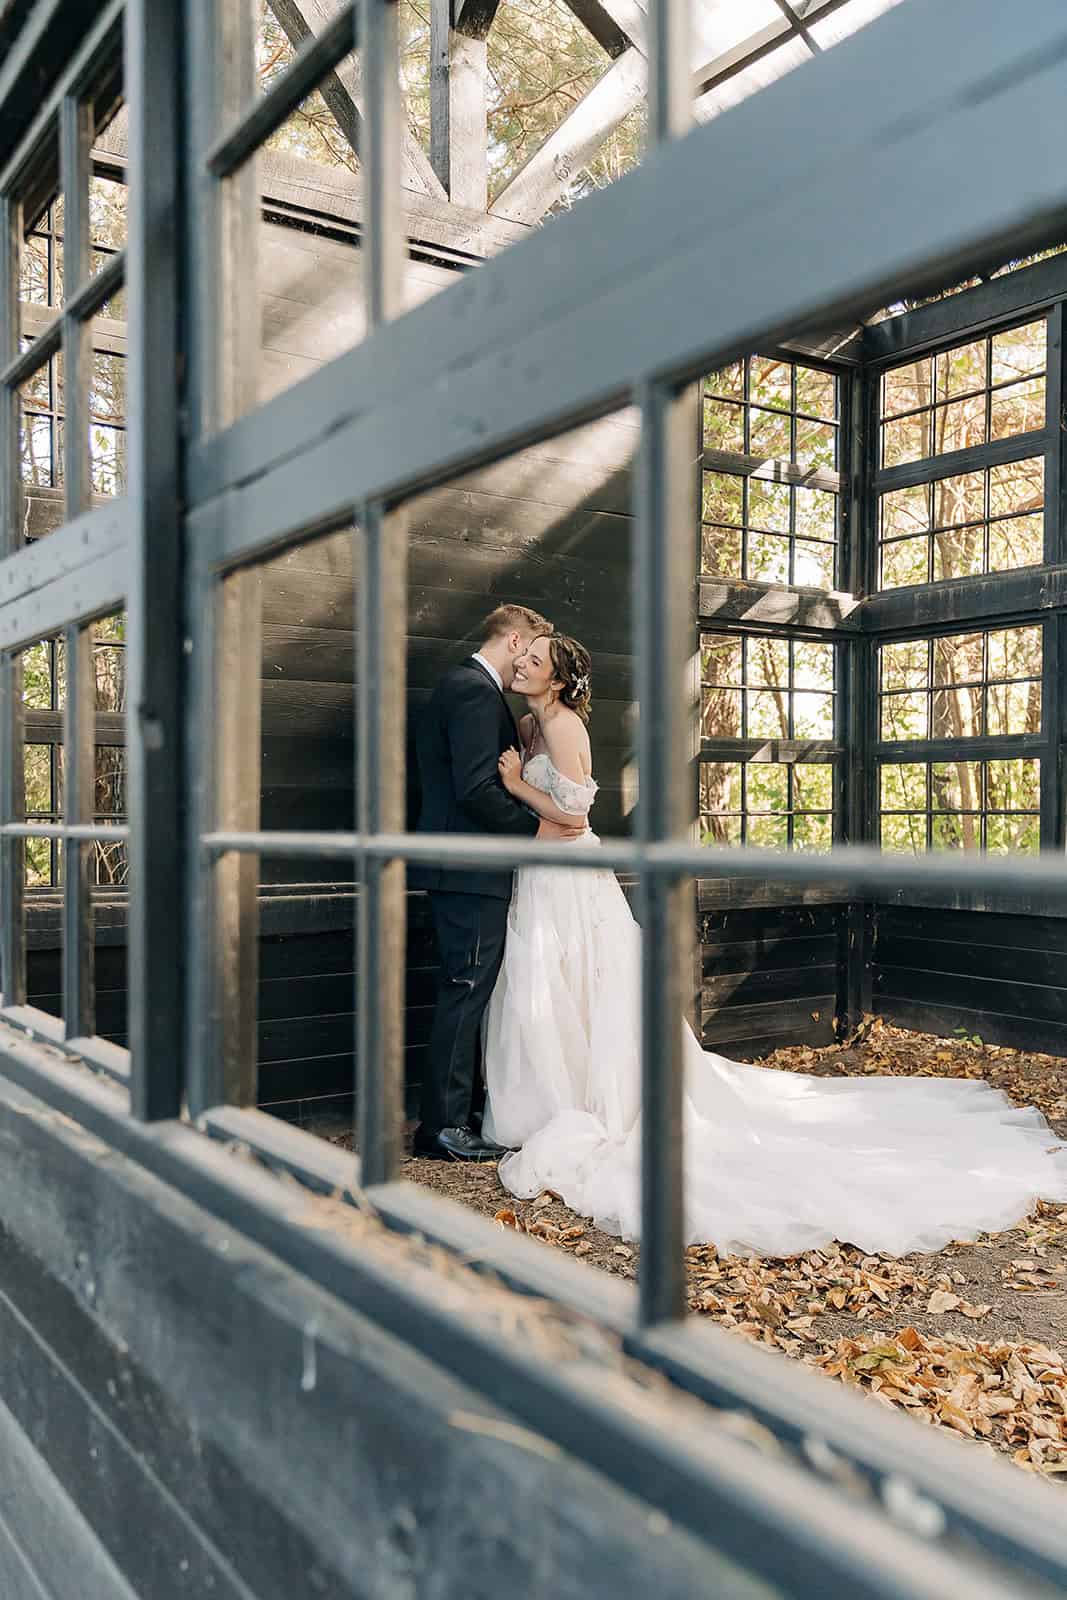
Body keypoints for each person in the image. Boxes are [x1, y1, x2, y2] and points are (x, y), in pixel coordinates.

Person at [481, 632, 1067, 1257]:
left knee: (587, 985)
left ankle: (598, 1104)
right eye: (524, 656)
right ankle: (553, 1096)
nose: (522, 663)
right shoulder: (529, 724)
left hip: (572, 875)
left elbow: (573, 817)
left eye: (535, 661)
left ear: (560, 681)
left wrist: (517, 786)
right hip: (540, 874)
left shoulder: (568, 728)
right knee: (551, 988)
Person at [411, 605, 583, 1162]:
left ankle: (464, 1112)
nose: (530, 660)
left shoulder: (475, 691)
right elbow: (476, 790)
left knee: (471, 986)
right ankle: (443, 1127)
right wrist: (535, 831)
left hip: (468, 866)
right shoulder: (473, 691)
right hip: (469, 865)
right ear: (514, 640)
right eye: (530, 649)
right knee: (465, 987)